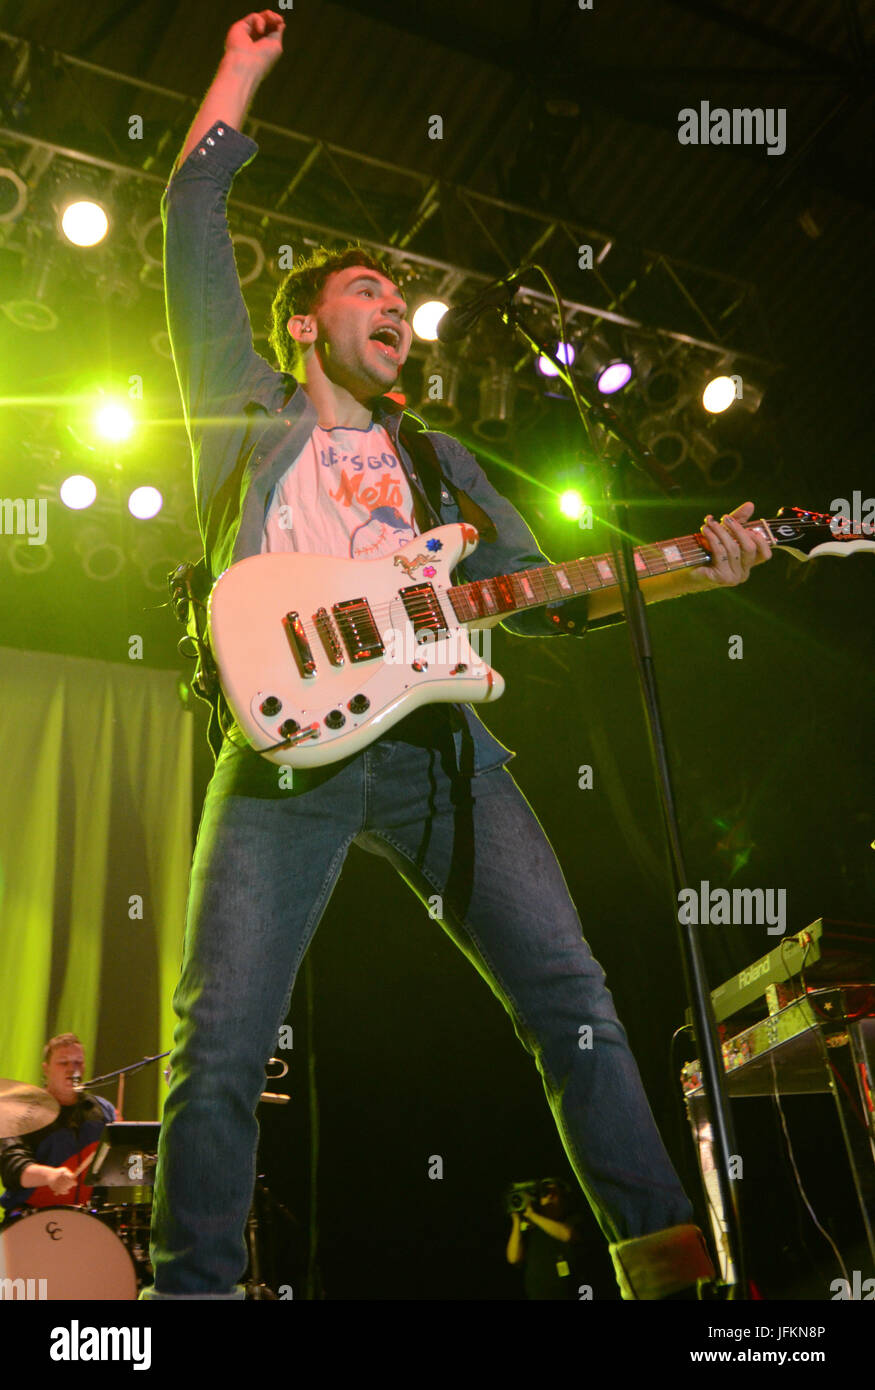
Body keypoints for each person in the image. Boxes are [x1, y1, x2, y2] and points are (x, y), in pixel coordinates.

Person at [142, 10, 773, 1301]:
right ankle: (183, 1299)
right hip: (284, 753)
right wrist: (245, 69)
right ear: (305, 326)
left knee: (572, 995)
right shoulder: (244, 405)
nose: (398, 311)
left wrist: (685, 565)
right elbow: (191, 209)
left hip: (445, 753)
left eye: (403, 300)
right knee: (218, 1041)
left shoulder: (446, 466)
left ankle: (669, 1272)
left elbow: (545, 600)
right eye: (368, 292)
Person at [0, 1033, 116, 1218]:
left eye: (78, 1062)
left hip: (90, 1220)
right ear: (46, 1069)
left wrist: (125, 1142)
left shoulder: (103, 1110)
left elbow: (124, 1170)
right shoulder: (21, 1112)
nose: (73, 1069)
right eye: (63, 1063)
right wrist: (50, 1176)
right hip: (31, 1219)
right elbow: (12, 1169)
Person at [506, 1180, 589, 1300]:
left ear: (563, 1197)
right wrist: (516, 1219)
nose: (549, 1195)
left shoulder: (574, 1221)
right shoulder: (531, 1229)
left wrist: (531, 1215)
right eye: (545, 1193)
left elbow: (567, 1235)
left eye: (554, 1192)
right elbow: (513, 1258)